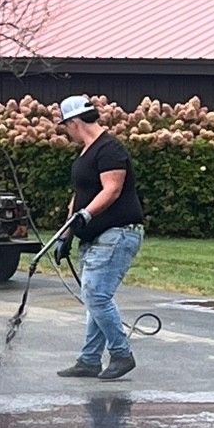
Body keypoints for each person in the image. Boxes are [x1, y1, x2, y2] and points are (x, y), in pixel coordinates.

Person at [54, 95, 144, 381]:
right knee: (95, 297)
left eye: (65, 125)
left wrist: (87, 215)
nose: (66, 131)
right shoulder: (87, 152)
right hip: (95, 235)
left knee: (96, 294)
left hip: (118, 232)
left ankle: (121, 353)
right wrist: (66, 234)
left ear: (74, 121)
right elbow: (78, 196)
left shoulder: (110, 149)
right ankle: (90, 360)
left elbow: (112, 189)